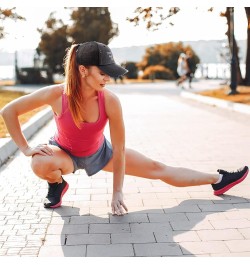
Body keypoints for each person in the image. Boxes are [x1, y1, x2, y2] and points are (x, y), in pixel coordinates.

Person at [0, 41, 248, 216]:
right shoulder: (56, 94)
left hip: (102, 153)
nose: (108, 78)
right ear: (83, 70)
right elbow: (8, 111)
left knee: (158, 169)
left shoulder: (109, 101)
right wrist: (26, 148)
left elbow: (118, 149)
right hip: (64, 154)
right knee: (39, 163)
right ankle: (57, 184)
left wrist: (117, 191)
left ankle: (218, 179)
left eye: (111, 73)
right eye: (103, 72)